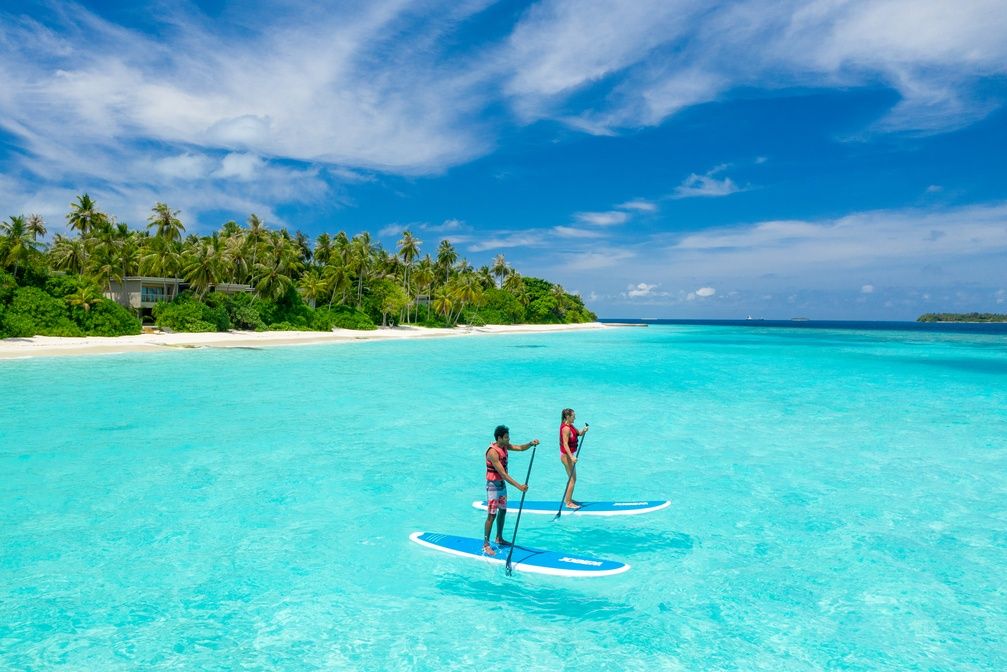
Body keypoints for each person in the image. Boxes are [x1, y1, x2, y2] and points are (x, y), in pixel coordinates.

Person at [483, 425, 539, 556]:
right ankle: (486, 545)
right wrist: (519, 486)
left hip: (502, 485)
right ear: (499, 438)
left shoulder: (504, 446)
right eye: (507, 437)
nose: (509, 439)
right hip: (493, 486)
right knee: (492, 515)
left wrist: (531, 444)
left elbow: (520, 448)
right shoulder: (492, 452)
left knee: (503, 511)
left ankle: (499, 538)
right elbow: (503, 474)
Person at [559, 408, 589, 509]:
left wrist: (583, 430)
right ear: (568, 416)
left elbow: (579, 433)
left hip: (569, 456)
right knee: (573, 479)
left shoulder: (570, 426)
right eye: (573, 416)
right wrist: (571, 457)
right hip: (566, 456)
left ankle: (568, 498)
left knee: (572, 478)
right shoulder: (565, 429)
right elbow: (565, 444)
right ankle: (568, 503)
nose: (575, 417)